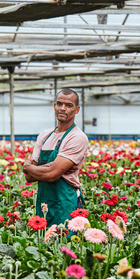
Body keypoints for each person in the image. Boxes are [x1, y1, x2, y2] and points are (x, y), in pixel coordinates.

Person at [23, 88, 89, 227]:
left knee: (64, 243)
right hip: (43, 201)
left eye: (69, 105)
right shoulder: (44, 135)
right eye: (59, 104)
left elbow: (52, 174)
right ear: (54, 106)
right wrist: (48, 168)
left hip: (65, 202)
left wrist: (29, 166)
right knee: (43, 243)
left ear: (77, 109)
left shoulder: (77, 137)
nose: (63, 108)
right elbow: (29, 177)